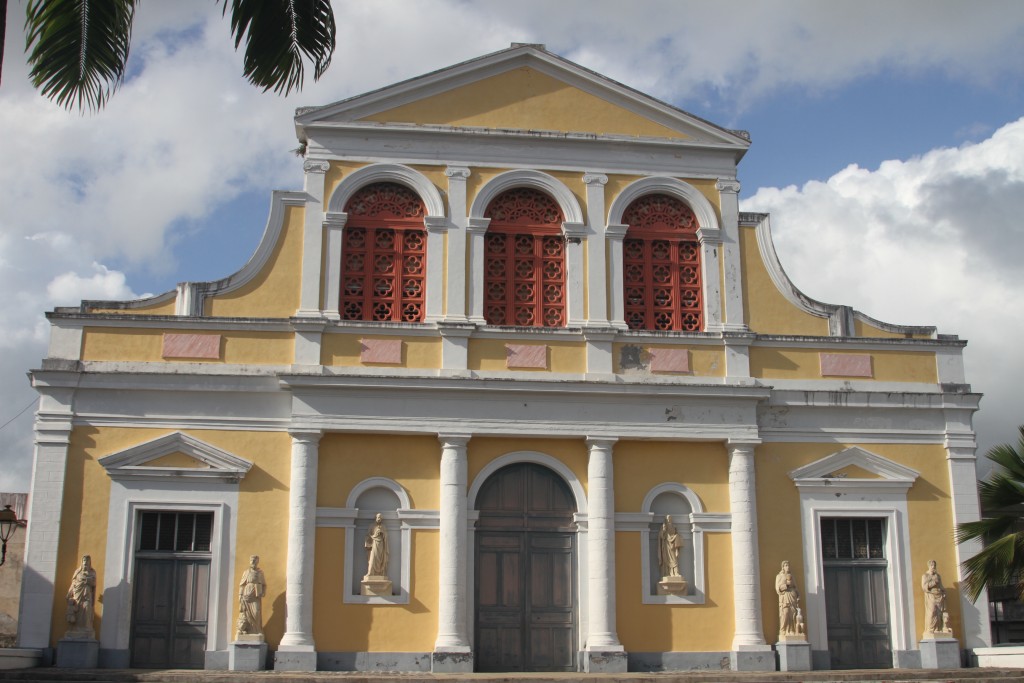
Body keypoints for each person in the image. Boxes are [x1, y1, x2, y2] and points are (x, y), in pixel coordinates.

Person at [66, 555, 97, 637]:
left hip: (87, 595)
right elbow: (74, 583)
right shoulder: (78, 572)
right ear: (82, 562)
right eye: (84, 560)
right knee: (77, 610)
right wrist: (69, 593)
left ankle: (87, 628)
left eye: (87, 561)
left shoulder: (92, 572)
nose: (85, 562)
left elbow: (94, 584)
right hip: (77, 595)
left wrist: (87, 580)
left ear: (90, 562)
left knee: (87, 609)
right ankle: (75, 629)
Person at [236, 555, 266, 636]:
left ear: (257, 562)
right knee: (245, 613)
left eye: (254, 561)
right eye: (251, 560)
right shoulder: (246, 572)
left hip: (255, 595)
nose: (252, 562)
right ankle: (246, 630)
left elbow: (264, 584)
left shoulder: (260, 572)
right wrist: (240, 595)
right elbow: (242, 584)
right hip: (246, 594)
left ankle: (257, 630)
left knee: (256, 612)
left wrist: (262, 592)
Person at [921, 559, 947, 633]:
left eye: (934, 565)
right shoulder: (925, 576)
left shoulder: (938, 576)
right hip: (931, 595)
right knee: (932, 611)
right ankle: (930, 629)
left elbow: (941, 585)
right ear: (929, 566)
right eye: (932, 565)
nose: (933, 567)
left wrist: (943, 591)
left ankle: (938, 629)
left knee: (939, 613)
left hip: (939, 595)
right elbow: (924, 587)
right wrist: (933, 582)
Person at [776, 560, 801, 636]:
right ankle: (783, 630)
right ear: (783, 567)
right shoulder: (779, 576)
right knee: (785, 613)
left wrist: (798, 595)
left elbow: (795, 587)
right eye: (786, 565)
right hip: (785, 596)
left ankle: (791, 630)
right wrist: (786, 585)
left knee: (793, 614)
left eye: (788, 565)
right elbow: (777, 588)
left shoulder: (792, 576)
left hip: (792, 595)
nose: (788, 567)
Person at [365, 513, 389, 578]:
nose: (379, 519)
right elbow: (368, 535)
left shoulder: (383, 527)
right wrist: (374, 535)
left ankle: (381, 573)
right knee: (372, 558)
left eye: (380, 518)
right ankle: (370, 572)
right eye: (378, 517)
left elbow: (386, 536)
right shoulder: (372, 526)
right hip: (374, 544)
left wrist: (383, 533)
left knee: (381, 558)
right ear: (375, 518)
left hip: (381, 544)